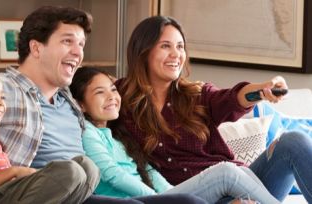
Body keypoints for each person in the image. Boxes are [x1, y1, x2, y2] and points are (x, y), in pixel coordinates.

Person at [0, 6, 208, 204]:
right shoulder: (4, 88)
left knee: (188, 202)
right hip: (34, 192)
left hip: (81, 192)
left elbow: (108, 103)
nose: (78, 52)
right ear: (36, 48)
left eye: (81, 44)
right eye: (67, 41)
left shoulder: (70, 99)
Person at [115, 15, 312, 203]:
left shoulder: (196, 95)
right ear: (143, 51)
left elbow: (234, 98)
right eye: (166, 46)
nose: (176, 54)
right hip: (194, 197)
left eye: (180, 47)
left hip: (242, 184)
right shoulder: (119, 98)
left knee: (293, 141)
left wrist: (263, 89)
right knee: (229, 178)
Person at [70, 67, 280, 204]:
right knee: (226, 172)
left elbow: (148, 171)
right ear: (81, 104)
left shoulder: (116, 136)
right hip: (139, 200)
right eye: (100, 92)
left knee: (236, 175)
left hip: (159, 197)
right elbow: (114, 175)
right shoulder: (88, 133)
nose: (112, 97)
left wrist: (174, 194)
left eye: (113, 90)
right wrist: (159, 198)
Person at [0, 66, 94, 203]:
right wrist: (13, 172)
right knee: (69, 171)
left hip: (10, 194)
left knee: (88, 167)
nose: (1, 103)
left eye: (3, 97)